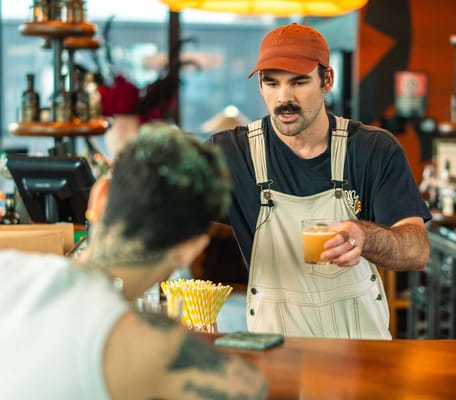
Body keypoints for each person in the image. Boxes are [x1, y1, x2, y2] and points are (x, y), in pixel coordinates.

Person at [0, 126, 267, 399]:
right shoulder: (156, 346)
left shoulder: (7, 270)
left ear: (99, 196)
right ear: (191, 249)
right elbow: (251, 389)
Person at [209, 23, 431, 340]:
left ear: (327, 79)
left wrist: (364, 237)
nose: (283, 98)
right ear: (260, 84)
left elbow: (416, 250)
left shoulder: (372, 150)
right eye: (271, 83)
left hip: (361, 354)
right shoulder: (232, 154)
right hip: (277, 355)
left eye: (299, 82)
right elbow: (164, 208)